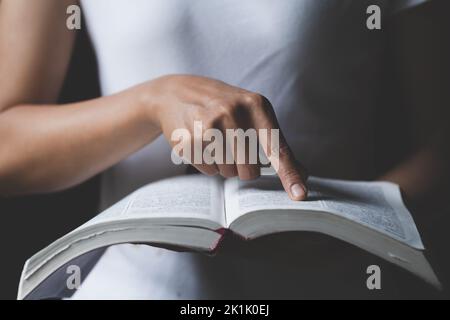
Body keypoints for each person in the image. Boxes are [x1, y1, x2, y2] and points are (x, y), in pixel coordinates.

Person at [0, 0, 447, 299]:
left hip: (333, 284)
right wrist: (149, 102)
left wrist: (352, 230)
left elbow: (440, 146)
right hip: (135, 286)